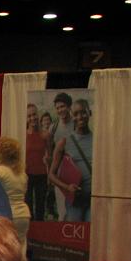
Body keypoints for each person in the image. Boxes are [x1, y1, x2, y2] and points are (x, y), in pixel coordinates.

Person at [48, 99, 93, 222]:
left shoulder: (97, 140)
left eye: (83, 112)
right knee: (73, 237)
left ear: (90, 113)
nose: (80, 117)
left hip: (93, 199)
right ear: (72, 116)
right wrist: (67, 187)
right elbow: (51, 175)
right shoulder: (64, 142)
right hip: (75, 201)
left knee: (91, 237)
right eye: (76, 114)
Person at [0, 137, 30, 261]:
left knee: (3, 249)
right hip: (23, 215)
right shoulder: (22, 174)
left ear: (3, 152)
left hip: (6, 215)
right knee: (20, 247)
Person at [48, 92, 75, 221]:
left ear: (69, 106)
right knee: (61, 209)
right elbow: (49, 150)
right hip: (59, 174)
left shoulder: (76, 124)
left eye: (63, 106)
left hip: (75, 172)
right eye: (58, 108)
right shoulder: (54, 127)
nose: (60, 110)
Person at [24, 104, 49, 221]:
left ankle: (41, 234)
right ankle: (31, 233)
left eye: (34, 114)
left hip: (42, 174)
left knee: (40, 206)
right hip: (27, 174)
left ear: (38, 115)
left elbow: (51, 155)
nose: (32, 118)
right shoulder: (24, 135)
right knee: (28, 205)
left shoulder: (46, 135)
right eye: (29, 116)